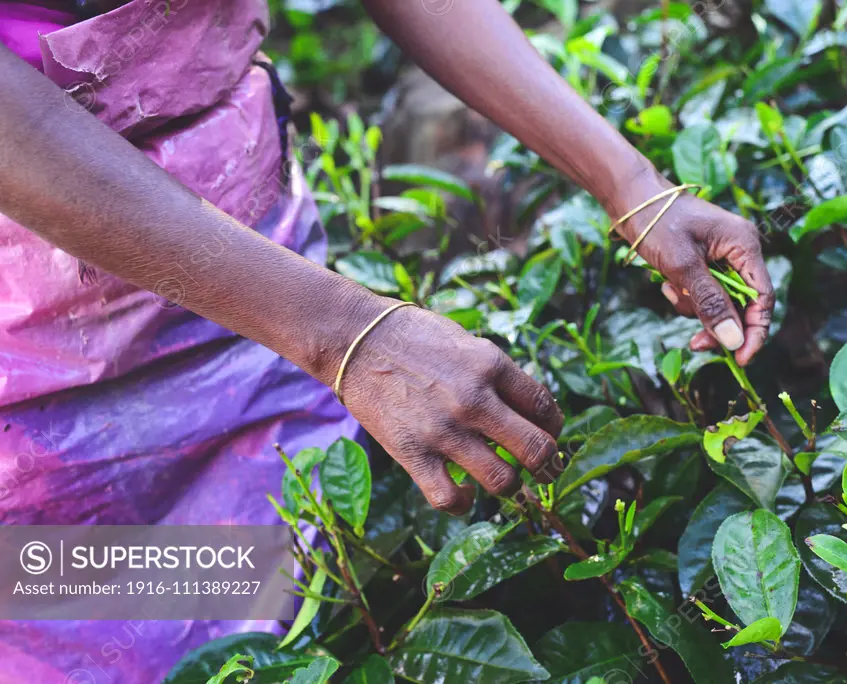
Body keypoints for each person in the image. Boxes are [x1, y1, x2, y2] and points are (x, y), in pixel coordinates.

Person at [0, 0, 773, 679]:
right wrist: (346, 337)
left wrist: (631, 184)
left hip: (261, 301)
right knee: (79, 626)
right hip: (45, 398)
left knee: (287, 616)